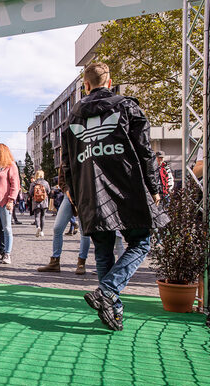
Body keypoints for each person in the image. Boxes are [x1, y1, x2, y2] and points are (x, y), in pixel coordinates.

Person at [62, 62, 168, 331]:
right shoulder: (127, 106)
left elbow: (67, 162)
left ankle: (112, 304)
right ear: (110, 82)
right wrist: (154, 188)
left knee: (104, 249)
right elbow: (145, 151)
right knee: (141, 241)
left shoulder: (73, 116)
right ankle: (109, 294)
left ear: (85, 86)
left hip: (91, 190)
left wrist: (74, 193)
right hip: (127, 186)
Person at [38, 163, 91, 275]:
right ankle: (55, 262)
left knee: (84, 230)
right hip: (69, 195)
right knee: (57, 228)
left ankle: (82, 262)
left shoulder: (84, 152)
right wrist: (67, 190)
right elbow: (61, 180)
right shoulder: (67, 156)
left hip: (85, 193)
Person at [29, 170, 51, 237]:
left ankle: (38, 227)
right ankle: (42, 231)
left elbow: (30, 193)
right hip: (44, 202)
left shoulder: (33, 183)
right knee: (43, 216)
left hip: (36, 202)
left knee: (37, 216)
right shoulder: (46, 183)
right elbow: (49, 191)